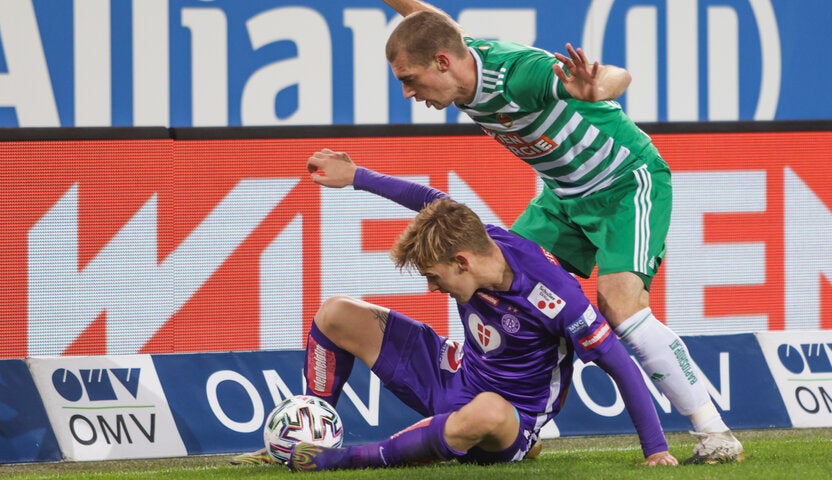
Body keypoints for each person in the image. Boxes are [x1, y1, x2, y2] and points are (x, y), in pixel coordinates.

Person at [372, 0, 743, 464]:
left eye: (409, 79)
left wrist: (593, 88)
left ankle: (715, 433)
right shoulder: (457, 54)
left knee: (619, 306)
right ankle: (518, 427)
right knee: (500, 281)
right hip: (563, 198)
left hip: (625, 182)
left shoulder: (519, 75)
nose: (408, 92)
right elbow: (431, 20)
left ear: (442, 63)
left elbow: (619, 76)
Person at [276, 148, 678, 471]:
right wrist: (356, 177)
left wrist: (655, 449)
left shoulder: (554, 293)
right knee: (335, 312)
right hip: (455, 373)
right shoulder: (472, 233)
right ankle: (311, 435)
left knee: (485, 412)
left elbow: (618, 362)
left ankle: (342, 460)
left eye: (435, 277)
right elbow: (427, 200)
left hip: (509, 417)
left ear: (462, 263)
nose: (434, 289)